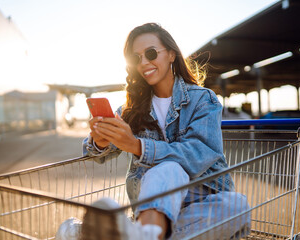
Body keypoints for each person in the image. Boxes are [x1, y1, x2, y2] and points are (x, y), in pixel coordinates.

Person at [76, 23, 249, 240]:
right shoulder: (130, 109)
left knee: (238, 205)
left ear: (171, 54)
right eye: (136, 58)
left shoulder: (203, 99)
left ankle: (134, 234)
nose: (144, 62)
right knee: (169, 169)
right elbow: (93, 153)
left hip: (202, 200)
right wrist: (100, 141)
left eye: (150, 53)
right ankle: (145, 233)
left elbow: (199, 154)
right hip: (154, 203)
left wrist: (137, 146)